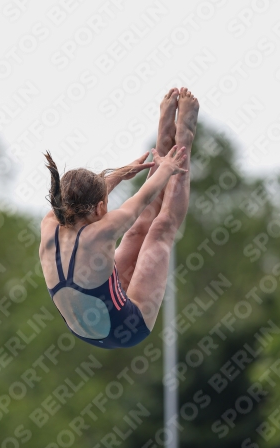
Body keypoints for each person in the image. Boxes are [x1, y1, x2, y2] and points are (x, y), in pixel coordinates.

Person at [39, 87, 199, 349]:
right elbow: (147, 195)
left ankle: (162, 135)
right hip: (127, 326)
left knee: (137, 232)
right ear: (100, 208)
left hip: (92, 327)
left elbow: (83, 199)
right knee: (160, 228)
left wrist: (120, 174)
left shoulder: (50, 222)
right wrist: (170, 165)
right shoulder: (99, 233)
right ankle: (184, 137)